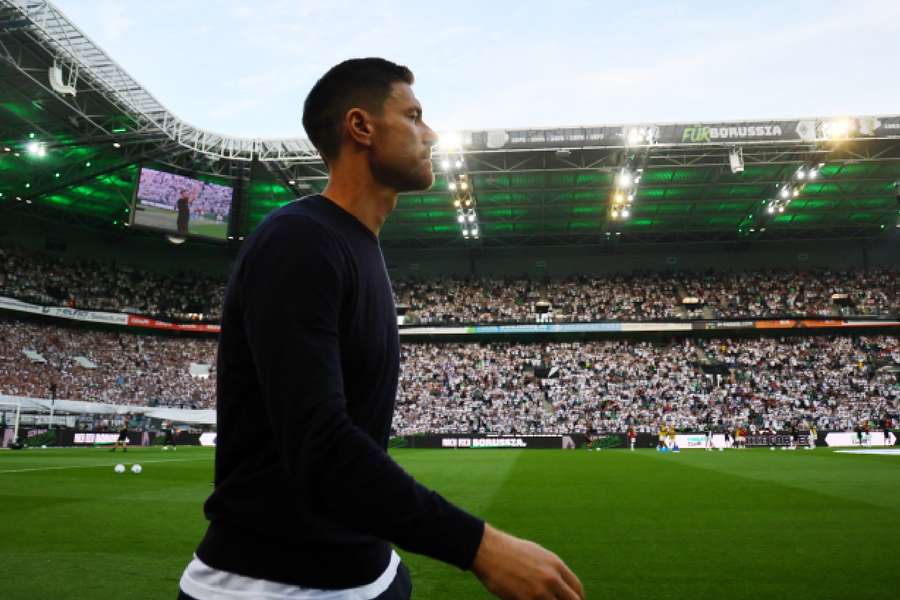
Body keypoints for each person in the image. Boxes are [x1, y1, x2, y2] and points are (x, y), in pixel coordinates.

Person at [178, 58, 583, 600]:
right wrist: (479, 546)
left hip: (364, 571)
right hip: (270, 583)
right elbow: (320, 446)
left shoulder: (356, 246)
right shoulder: (298, 242)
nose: (431, 133)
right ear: (361, 127)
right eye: (414, 116)